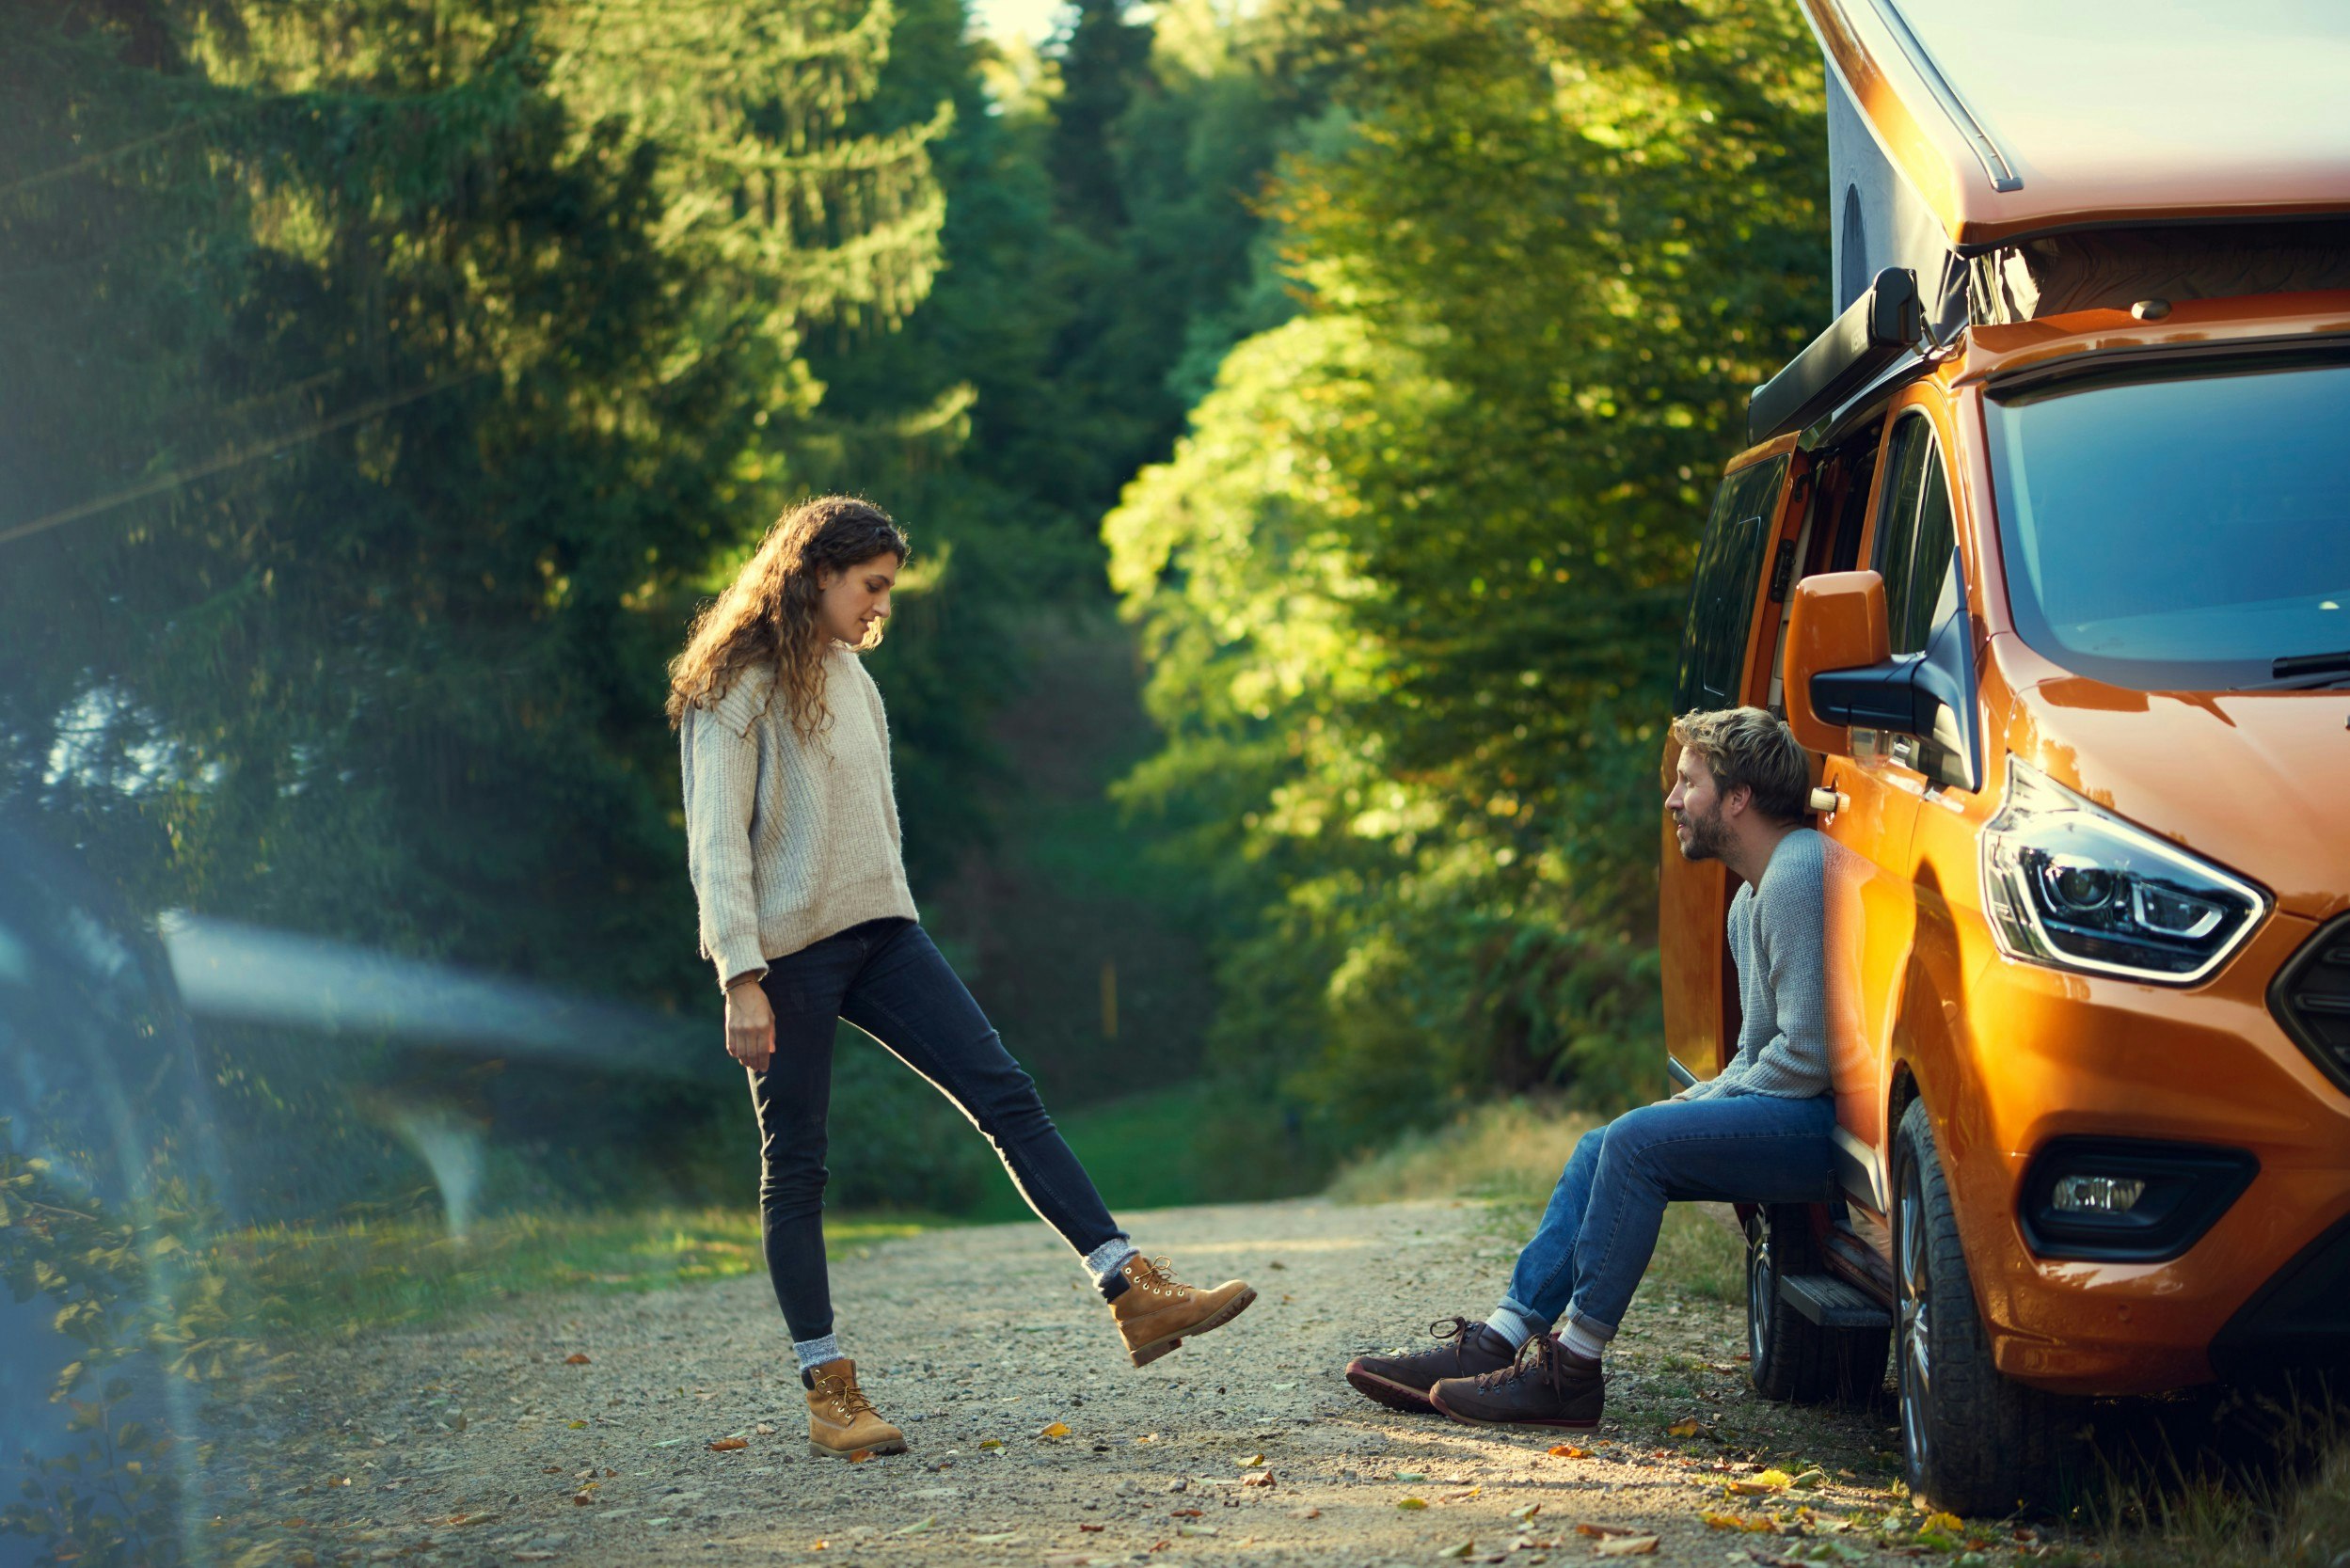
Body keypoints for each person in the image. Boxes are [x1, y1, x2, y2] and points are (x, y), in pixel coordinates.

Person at [672, 495, 1254, 1460]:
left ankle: (1130, 1289)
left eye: (887, 590)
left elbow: (870, 828)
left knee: (1004, 1092)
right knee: (799, 1165)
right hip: (788, 956)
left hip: (884, 933)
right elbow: (714, 848)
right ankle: (829, 1389)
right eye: (871, 587)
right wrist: (740, 974)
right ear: (815, 571)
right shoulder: (732, 687)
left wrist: (891, 912)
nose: (878, 609)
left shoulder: (853, 677)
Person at [1343, 705, 1837, 1431]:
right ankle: (1498, 1340)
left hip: (1828, 1129)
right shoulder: (1750, 898)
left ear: (1738, 797)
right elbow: (1756, 1054)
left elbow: (1808, 1058)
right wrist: (1695, 1103)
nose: (1672, 800)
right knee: (1605, 1140)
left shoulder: (1797, 871)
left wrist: (1681, 1115)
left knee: (1636, 1141)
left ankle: (1571, 1371)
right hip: (1794, 1112)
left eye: (1688, 782)